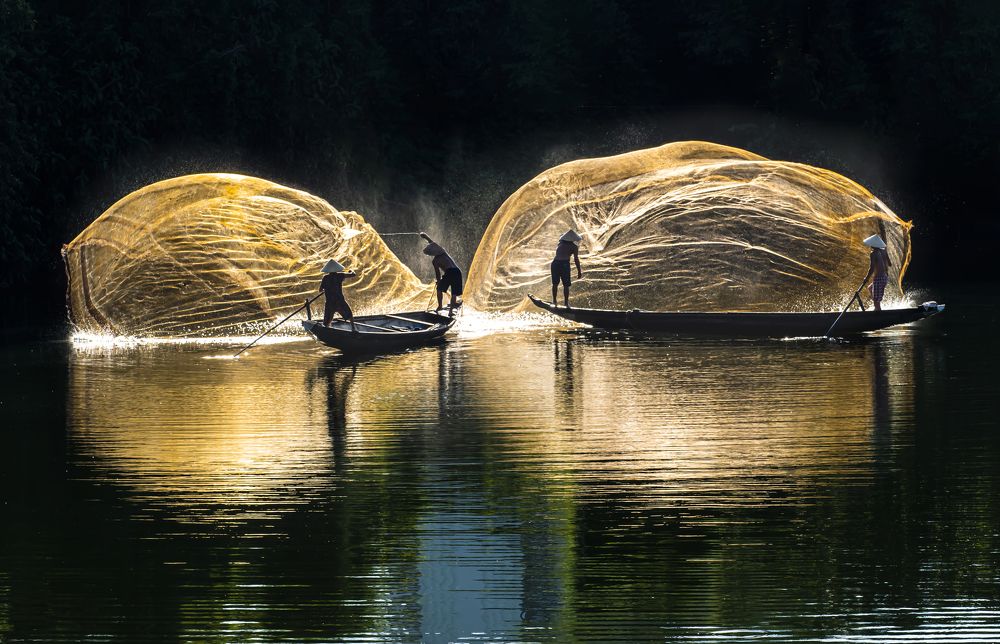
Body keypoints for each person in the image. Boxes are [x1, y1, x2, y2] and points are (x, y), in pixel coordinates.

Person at [419, 232, 463, 314]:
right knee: (454, 292)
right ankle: (451, 311)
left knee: (439, 289)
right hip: (456, 271)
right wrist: (425, 236)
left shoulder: (435, 261)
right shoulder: (443, 252)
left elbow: (438, 273)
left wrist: (438, 281)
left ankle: (440, 306)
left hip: (450, 272)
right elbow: (431, 242)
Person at [319, 259, 358, 332]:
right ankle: (353, 328)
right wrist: (351, 271)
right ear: (337, 269)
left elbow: (320, 290)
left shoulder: (325, 278)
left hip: (330, 301)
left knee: (328, 318)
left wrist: (326, 289)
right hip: (339, 300)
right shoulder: (340, 276)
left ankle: (326, 330)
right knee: (349, 314)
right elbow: (353, 274)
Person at [551, 229, 583, 307]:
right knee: (566, 285)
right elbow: (576, 259)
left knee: (555, 284)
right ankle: (566, 303)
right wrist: (579, 271)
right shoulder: (574, 247)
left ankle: (554, 301)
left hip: (555, 263)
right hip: (564, 264)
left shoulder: (560, 243)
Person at [861, 234, 891, 311]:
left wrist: (866, 278)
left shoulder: (873, 253)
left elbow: (872, 268)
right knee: (870, 288)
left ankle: (878, 313)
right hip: (884, 277)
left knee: (876, 303)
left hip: (879, 278)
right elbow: (890, 264)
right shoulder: (883, 251)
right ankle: (876, 304)